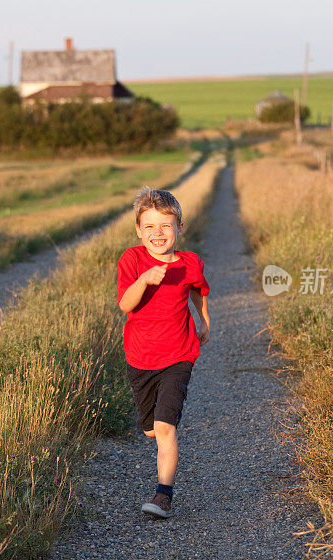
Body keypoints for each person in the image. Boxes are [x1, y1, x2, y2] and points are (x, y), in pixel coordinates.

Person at [117, 186, 210, 519]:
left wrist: (204, 320)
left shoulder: (190, 263)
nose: (158, 233)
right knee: (150, 429)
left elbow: (198, 291)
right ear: (139, 231)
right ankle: (157, 427)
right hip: (140, 358)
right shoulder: (132, 260)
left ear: (179, 229)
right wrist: (144, 279)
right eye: (150, 227)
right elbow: (125, 303)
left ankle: (163, 496)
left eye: (166, 226)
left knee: (166, 428)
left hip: (179, 354)